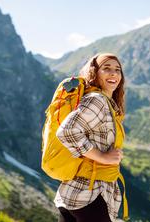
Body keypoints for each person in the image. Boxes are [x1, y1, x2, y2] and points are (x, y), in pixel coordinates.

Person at [55, 53, 126, 222]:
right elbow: (67, 131)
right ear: (94, 73)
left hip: (73, 194)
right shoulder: (97, 100)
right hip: (91, 196)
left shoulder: (103, 101)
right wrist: (102, 156)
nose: (113, 74)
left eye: (117, 70)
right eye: (106, 69)